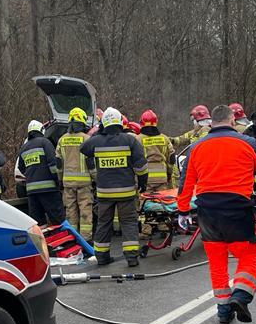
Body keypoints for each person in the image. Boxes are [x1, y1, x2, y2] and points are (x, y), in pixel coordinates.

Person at [177, 104, 256, 324]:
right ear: (232, 120)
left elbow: (185, 183)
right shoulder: (247, 142)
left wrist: (183, 210)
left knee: (217, 262)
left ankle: (223, 311)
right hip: (237, 211)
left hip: (207, 213)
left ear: (212, 122)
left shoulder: (196, 147)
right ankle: (240, 296)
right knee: (250, 256)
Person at [81, 107, 148, 267]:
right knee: (129, 223)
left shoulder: (97, 141)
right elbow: (141, 166)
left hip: (104, 194)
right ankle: (131, 258)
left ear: (103, 124)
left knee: (104, 224)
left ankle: (102, 257)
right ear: (120, 122)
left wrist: (99, 132)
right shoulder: (130, 140)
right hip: (126, 192)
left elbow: (84, 148)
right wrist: (143, 183)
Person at [17, 119, 64, 225]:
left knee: (39, 223)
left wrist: (31, 176)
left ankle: (43, 236)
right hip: (48, 190)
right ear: (41, 130)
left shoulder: (24, 147)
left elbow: (21, 167)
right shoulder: (45, 142)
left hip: (32, 192)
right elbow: (53, 165)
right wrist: (58, 181)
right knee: (58, 219)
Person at [57, 107, 93, 240]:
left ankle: (72, 238)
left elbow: (58, 164)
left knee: (70, 211)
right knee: (85, 211)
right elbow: (91, 163)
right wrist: (96, 178)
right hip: (84, 183)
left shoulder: (62, 140)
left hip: (67, 183)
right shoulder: (87, 139)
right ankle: (86, 239)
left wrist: (60, 180)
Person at [138, 109, 176, 192]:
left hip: (146, 178)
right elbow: (171, 158)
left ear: (142, 123)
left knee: (146, 200)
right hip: (162, 178)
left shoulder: (138, 139)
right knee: (162, 199)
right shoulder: (165, 138)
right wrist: (169, 173)